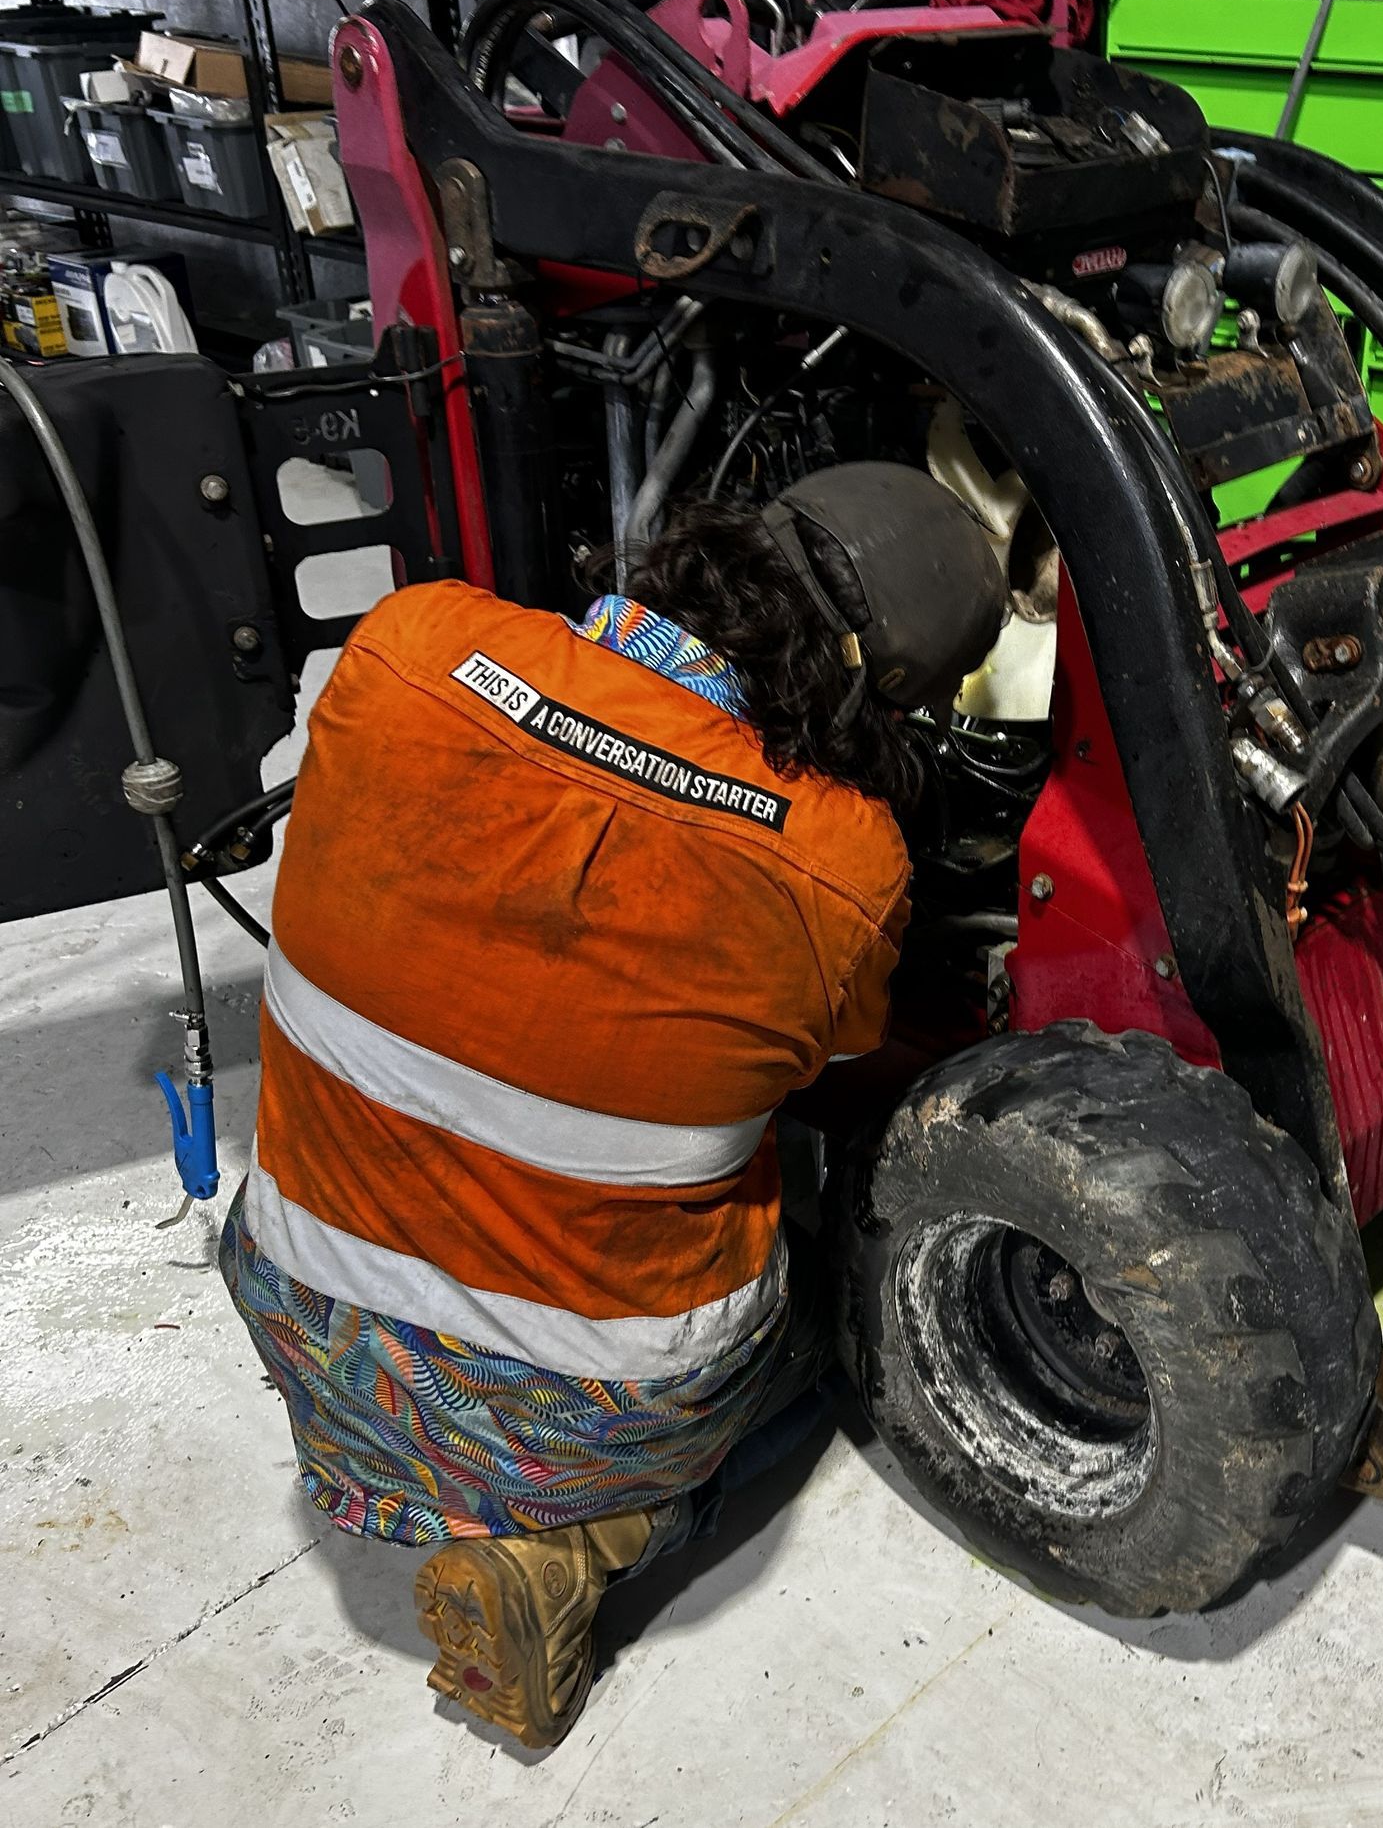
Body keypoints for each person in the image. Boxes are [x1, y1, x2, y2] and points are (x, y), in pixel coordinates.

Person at [219, 463, 1007, 1748]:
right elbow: (840, 1054)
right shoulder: (841, 865)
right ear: (886, 698)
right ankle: (577, 1546)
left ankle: (426, 1473)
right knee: (834, 1296)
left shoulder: (411, 639)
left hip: (301, 1312)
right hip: (591, 1416)